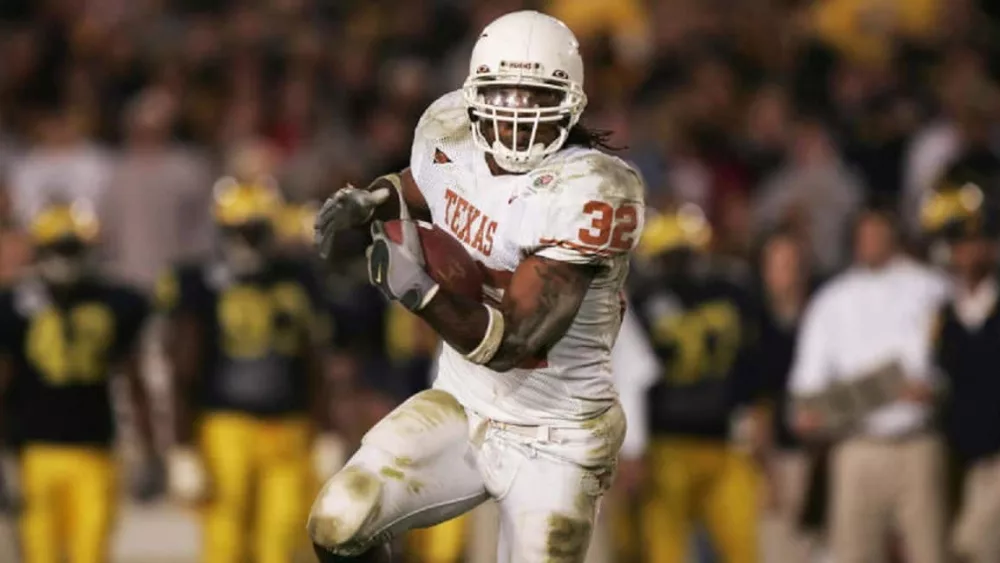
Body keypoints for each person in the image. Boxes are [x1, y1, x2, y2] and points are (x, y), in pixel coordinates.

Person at [310, 10, 645, 562]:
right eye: (502, 94)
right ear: (474, 95)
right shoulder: (451, 132)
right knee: (339, 521)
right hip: (463, 403)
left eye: (535, 96)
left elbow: (514, 343)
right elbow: (426, 187)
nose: (516, 114)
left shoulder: (590, 189)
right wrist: (374, 199)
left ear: (571, 102)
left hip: (556, 437)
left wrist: (419, 292)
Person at [158, 178, 338, 563]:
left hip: (290, 427)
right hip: (225, 427)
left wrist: (326, 429)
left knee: (282, 537)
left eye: (256, 230)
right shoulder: (198, 282)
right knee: (225, 538)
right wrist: (182, 446)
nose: (249, 241)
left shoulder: (297, 277)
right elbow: (182, 368)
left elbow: (315, 359)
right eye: (240, 231)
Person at [789, 206, 951, 563]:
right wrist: (821, 412)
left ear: (894, 235)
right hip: (857, 447)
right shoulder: (831, 300)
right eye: (865, 233)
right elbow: (806, 394)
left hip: (919, 444)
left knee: (931, 553)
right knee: (854, 554)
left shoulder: (932, 288)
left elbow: (950, 370)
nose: (871, 241)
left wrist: (932, 389)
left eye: (879, 232)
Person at [0, 200, 157, 563]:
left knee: (92, 551)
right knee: (39, 552)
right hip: (34, 452)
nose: (65, 258)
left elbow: (132, 376)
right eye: (58, 248)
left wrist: (148, 447)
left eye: (72, 248)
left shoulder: (115, 301)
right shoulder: (13, 304)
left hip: (95, 449)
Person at [615, 206, 766, 563]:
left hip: (724, 442)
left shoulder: (731, 290)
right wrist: (634, 447)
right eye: (670, 256)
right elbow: (629, 375)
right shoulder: (637, 299)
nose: (677, 266)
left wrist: (757, 408)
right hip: (667, 444)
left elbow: (753, 360)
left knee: (744, 546)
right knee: (664, 550)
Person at [921, 181, 1000, 563]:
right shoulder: (944, 315)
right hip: (957, 455)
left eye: (975, 241)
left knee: (973, 547)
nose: (967, 252)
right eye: (959, 244)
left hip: (997, 456)